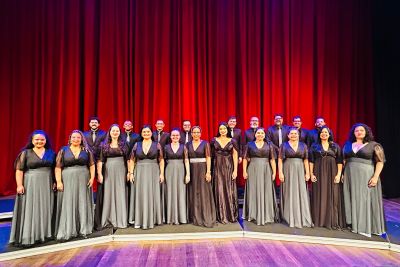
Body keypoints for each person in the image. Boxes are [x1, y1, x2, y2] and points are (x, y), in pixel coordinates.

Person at [9, 130, 56, 246]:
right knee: (31, 208)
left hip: (47, 183)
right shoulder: (26, 153)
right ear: (32, 140)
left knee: (46, 207)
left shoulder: (51, 153)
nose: (39, 141)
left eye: (42, 139)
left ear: (46, 141)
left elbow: (55, 169)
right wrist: (19, 185)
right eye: (37, 139)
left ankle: (44, 234)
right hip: (30, 184)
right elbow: (19, 170)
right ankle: (29, 235)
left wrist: (55, 181)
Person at [342, 123, 386, 237]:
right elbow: (344, 160)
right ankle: (352, 223)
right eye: (356, 131)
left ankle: (365, 225)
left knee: (364, 199)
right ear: (353, 133)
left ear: (366, 132)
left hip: (366, 175)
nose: (359, 132)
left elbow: (380, 162)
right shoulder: (348, 144)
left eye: (361, 130)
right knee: (350, 197)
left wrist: (375, 177)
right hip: (349, 174)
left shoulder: (374, 145)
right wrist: (342, 173)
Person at [54, 130, 95, 240]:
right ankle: (68, 229)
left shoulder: (86, 150)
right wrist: (58, 181)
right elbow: (58, 167)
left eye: (78, 137)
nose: (76, 139)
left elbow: (91, 165)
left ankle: (84, 229)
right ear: (70, 138)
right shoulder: (63, 150)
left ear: (81, 139)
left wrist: (92, 178)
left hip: (83, 178)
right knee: (69, 202)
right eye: (74, 137)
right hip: (67, 178)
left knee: (83, 201)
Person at [128, 125, 164, 229]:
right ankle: (139, 219)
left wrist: (161, 174)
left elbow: (161, 160)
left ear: (151, 133)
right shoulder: (136, 145)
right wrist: (131, 173)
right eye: (144, 132)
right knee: (140, 194)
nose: (146, 133)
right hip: (139, 171)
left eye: (148, 132)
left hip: (153, 171)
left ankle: (154, 219)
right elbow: (132, 160)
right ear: (141, 133)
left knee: (153, 194)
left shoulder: (156, 144)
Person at [309, 126, 345, 229]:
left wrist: (338, 174)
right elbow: (311, 161)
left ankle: (331, 220)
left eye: (326, 132)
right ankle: (319, 220)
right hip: (318, 171)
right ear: (319, 135)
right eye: (322, 132)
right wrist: (311, 174)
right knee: (318, 193)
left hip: (332, 172)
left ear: (329, 134)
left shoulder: (335, 146)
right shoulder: (314, 146)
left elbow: (339, 161)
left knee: (332, 194)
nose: (323, 134)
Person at [243, 127, 279, 225]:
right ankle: (253, 214)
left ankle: (267, 215)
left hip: (266, 170)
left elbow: (272, 159)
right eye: (258, 133)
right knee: (253, 190)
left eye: (262, 133)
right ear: (255, 135)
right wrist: (244, 171)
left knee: (266, 191)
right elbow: (245, 159)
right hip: (252, 169)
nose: (260, 134)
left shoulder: (269, 145)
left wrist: (274, 172)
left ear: (264, 135)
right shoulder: (249, 145)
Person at [278, 127, 313, 228]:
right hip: (287, 169)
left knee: (300, 191)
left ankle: (301, 216)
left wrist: (307, 173)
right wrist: (280, 172)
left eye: (295, 133)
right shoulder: (283, 145)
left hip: (300, 170)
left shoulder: (303, 145)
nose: (293, 135)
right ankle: (288, 217)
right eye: (291, 133)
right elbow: (280, 160)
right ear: (288, 135)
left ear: (299, 135)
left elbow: (306, 160)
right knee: (289, 191)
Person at [97, 124, 129, 229]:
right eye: (113, 131)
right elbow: (100, 161)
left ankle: (121, 219)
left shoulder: (124, 144)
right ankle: (108, 218)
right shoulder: (103, 145)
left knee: (120, 192)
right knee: (108, 193)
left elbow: (128, 160)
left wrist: (129, 172)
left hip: (121, 170)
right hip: (108, 171)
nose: (115, 132)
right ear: (109, 132)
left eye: (117, 131)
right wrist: (100, 174)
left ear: (120, 132)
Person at [186, 126, 216, 227]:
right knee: (193, 192)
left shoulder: (205, 143)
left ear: (201, 133)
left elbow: (208, 158)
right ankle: (195, 217)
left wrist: (208, 172)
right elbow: (186, 159)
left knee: (204, 192)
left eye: (198, 132)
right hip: (192, 169)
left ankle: (205, 216)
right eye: (194, 132)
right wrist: (187, 173)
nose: (196, 134)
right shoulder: (187, 144)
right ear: (191, 134)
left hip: (203, 169)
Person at [211, 122, 239, 223]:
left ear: (227, 130)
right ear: (218, 130)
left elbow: (235, 155)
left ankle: (229, 214)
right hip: (217, 166)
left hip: (228, 167)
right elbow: (210, 155)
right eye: (221, 129)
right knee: (219, 189)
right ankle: (219, 214)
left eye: (224, 129)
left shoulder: (233, 141)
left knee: (228, 189)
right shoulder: (214, 140)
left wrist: (235, 170)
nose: (222, 131)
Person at [83, 116, 107, 230]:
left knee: (101, 184)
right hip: (87, 162)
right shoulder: (84, 134)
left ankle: (99, 209)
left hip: (101, 161)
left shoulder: (104, 133)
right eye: (92, 122)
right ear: (89, 124)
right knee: (88, 183)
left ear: (99, 124)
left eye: (95, 122)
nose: (93, 124)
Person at [164, 129, 190, 224]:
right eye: (173, 135)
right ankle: (170, 217)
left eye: (177, 135)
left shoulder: (184, 147)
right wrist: (162, 174)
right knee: (170, 192)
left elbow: (186, 160)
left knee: (181, 192)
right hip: (169, 171)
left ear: (180, 136)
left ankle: (181, 217)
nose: (175, 137)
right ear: (170, 137)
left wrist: (188, 174)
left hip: (181, 170)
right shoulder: (166, 147)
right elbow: (162, 161)